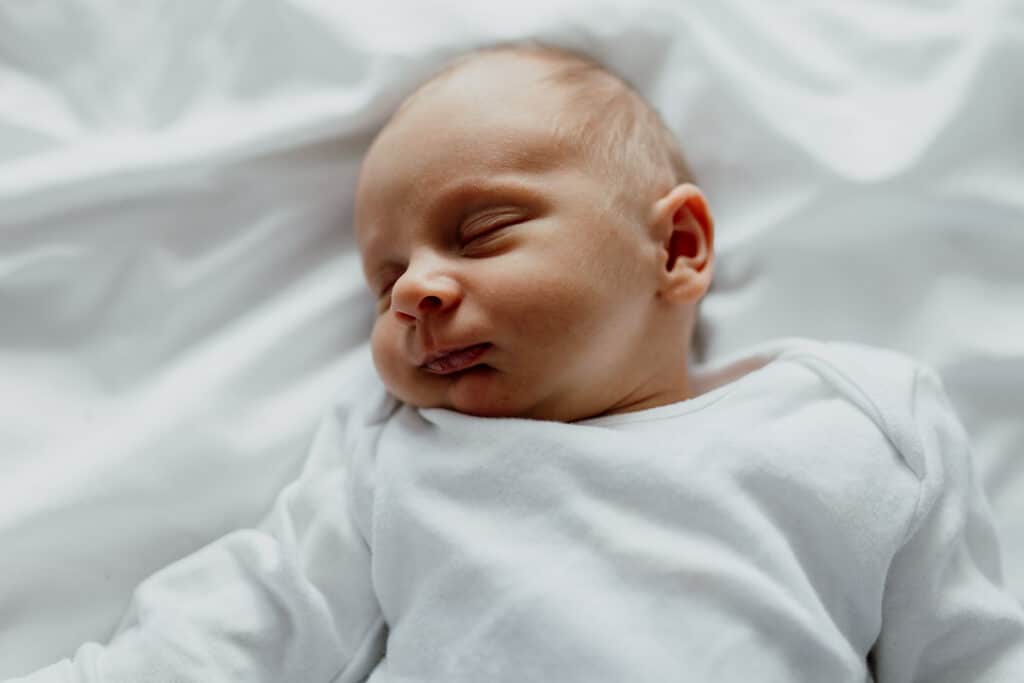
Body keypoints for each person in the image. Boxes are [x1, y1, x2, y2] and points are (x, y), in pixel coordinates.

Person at [10, 42, 1024, 682]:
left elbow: (970, 649)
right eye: (385, 279)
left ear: (674, 250)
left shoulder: (849, 419)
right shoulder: (398, 457)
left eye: (481, 229)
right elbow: (247, 620)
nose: (414, 290)